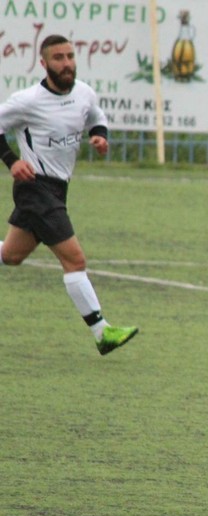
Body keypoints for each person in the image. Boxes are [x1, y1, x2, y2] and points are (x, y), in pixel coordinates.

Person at [0, 35, 138, 355]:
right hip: (35, 188)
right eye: (58, 58)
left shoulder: (84, 93)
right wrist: (12, 161)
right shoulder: (28, 101)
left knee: (11, 255)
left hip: (58, 189)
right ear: (44, 63)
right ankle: (102, 332)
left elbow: (95, 117)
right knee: (75, 260)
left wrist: (99, 136)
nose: (66, 64)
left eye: (70, 56)